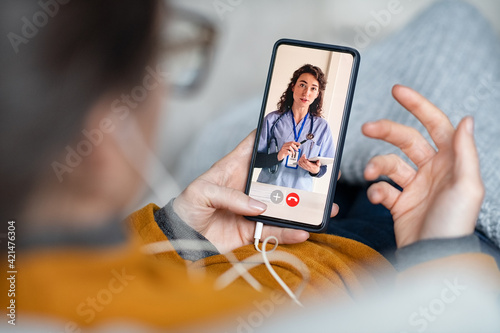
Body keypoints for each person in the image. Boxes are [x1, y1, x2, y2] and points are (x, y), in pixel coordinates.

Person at [0, 0, 498, 331]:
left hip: (262, 225)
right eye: (166, 58)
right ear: (103, 135)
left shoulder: (20, 283)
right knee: (455, 26)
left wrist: (175, 232)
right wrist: (445, 255)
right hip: (385, 261)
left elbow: (324, 149)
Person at [255, 64, 335, 191]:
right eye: (302, 85)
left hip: (299, 194)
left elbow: (323, 168)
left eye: (313, 89)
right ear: (293, 87)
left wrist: (315, 170)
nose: (306, 93)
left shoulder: (322, 127)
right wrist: (278, 155)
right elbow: (254, 160)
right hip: (268, 189)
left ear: (317, 94)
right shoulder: (272, 120)